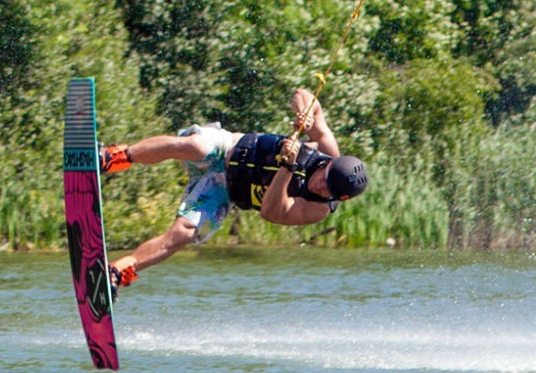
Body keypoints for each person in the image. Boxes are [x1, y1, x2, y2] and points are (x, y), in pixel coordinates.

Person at [99, 88, 368, 295]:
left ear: (338, 197)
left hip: (224, 189)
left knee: (184, 234)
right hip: (228, 147)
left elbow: (271, 212)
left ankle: (118, 272)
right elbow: (304, 94)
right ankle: (113, 157)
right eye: (325, 178)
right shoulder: (326, 148)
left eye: (328, 190)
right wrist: (305, 113)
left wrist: (288, 166)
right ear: (329, 164)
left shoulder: (318, 208)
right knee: (195, 146)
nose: (320, 185)